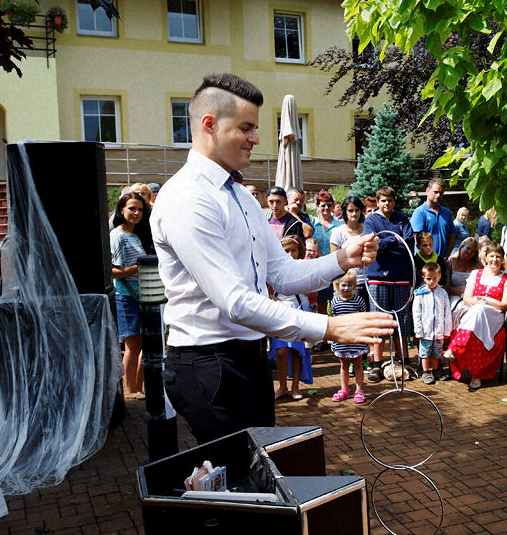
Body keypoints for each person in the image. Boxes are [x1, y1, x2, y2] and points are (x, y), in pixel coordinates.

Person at [153, 73, 393, 444]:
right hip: (208, 363)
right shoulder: (188, 197)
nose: (255, 139)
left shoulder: (243, 197)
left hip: (247, 358)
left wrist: (343, 258)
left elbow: (281, 274)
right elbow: (235, 302)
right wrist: (329, 328)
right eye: (246, 128)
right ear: (209, 125)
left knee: (259, 478)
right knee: (239, 483)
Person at [363, 186, 416, 381]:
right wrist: (393, 241)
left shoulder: (402, 219)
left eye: (390, 200)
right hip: (378, 277)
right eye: (383, 200)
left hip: (401, 277)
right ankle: (377, 364)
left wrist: (386, 242)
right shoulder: (371, 221)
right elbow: (371, 244)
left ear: (394, 201)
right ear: (377, 202)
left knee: (401, 322)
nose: (387, 204)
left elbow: (409, 244)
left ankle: (404, 361)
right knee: (379, 322)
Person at [446, 243, 507, 390]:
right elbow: (467, 299)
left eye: (498, 257)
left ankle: (455, 347)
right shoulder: (475, 274)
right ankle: (476, 375)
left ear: (503, 259)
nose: (495, 259)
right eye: (492, 256)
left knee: (481, 311)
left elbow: (504, 305)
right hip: (473, 311)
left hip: (494, 314)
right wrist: (478, 302)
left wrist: (486, 301)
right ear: (485, 257)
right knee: (478, 312)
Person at [110, 192, 148, 399]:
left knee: (142, 345)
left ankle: (137, 388)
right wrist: (137, 268)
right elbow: (113, 270)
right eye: (132, 208)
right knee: (132, 346)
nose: (136, 213)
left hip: (142, 295)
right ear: (122, 210)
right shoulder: (117, 235)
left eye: (140, 209)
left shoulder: (136, 235)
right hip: (126, 296)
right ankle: (129, 391)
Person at [269, 235, 314, 401]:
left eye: (293, 250)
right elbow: (269, 292)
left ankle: (295, 386)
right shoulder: (273, 268)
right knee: (281, 351)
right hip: (280, 312)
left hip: (299, 309)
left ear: (299, 251)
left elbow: (312, 291)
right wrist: (276, 301)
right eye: (286, 250)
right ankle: (282, 385)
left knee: (297, 351)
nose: (290, 253)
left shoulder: (302, 266)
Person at [328, 272, 369, 404]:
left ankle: (359, 391)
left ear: (354, 286)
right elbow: (333, 319)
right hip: (341, 339)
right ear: (338, 286)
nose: (346, 288)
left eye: (349, 285)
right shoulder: (334, 301)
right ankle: (344, 389)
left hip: (356, 338)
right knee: (344, 365)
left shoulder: (359, 300)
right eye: (343, 285)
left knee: (358, 365)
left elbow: (363, 318)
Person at [413, 262, 453, 384]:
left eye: (434, 278)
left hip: (439, 330)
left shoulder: (443, 293)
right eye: (428, 279)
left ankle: (436, 370)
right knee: (425, 352)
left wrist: (447, 330)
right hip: (425, 331)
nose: (432, 281)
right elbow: (416, 313)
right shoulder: (420, 294)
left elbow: (447, 312)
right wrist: (418, 330)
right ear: (424, 278)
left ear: (439, 276)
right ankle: (425, 372)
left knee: (437, 352)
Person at [410, 178, 456, 258]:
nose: (438, 195)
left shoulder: (446, 213)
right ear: (427, 190)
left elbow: (452, 237)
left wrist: (446, 256)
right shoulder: (420, 212)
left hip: (442, 261)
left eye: (441, 193)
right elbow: (417, 239)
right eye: (435, 192)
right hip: (425, 263)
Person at [312, 191, 340, 320]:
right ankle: (322, 337)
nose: (326, 208)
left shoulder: (339, 226)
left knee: (338, 302)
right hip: (318, 268)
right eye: (323, 205)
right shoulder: (312, 225)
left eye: (329, 205)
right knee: (321, 303)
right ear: (317, 206)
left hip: (335, 267)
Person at [448, 236, 482, 310]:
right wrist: (459, 291)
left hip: (472, 296)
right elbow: (445, 286)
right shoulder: (450, 262)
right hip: (454, 296)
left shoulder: (478, 265)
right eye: (468, 248)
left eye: (473, 251)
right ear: (461, 247)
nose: (469, 252)